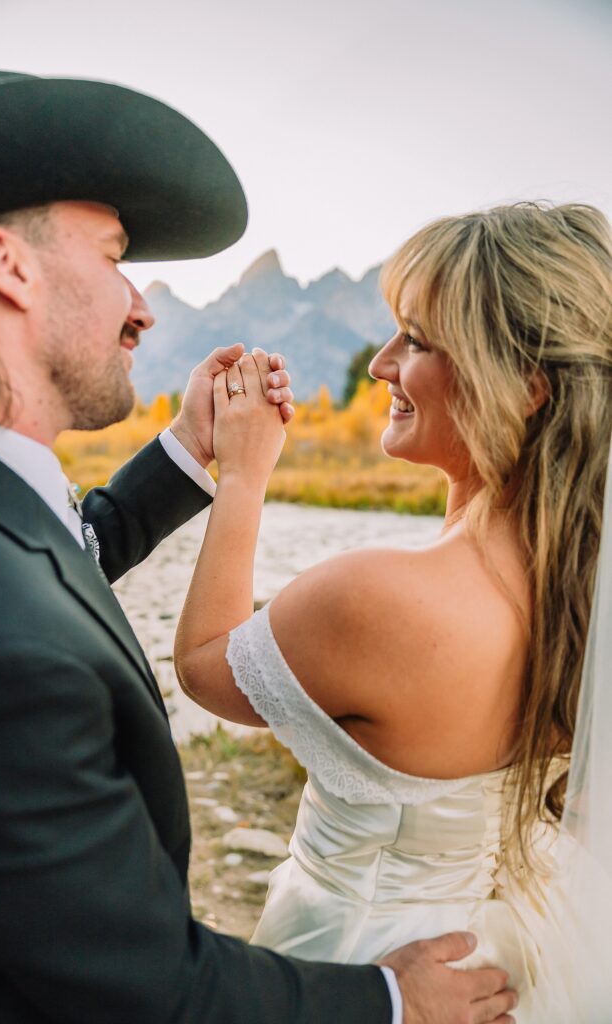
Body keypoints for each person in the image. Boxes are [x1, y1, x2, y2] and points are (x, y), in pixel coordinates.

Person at [0, 70, 516, 1024]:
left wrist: (191, 460)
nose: (144, 306)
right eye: (116, 257)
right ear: (7, 264)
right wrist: (389, 1002)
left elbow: (47, 551)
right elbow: (143, 990)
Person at [175, 202, 612, 1021]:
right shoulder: (586, 596)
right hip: (514, 964)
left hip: (363, 967)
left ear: (524, 389)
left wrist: (241, 474)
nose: (378, 364)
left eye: (416, 340)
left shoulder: (383, 599)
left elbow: (204, 664)